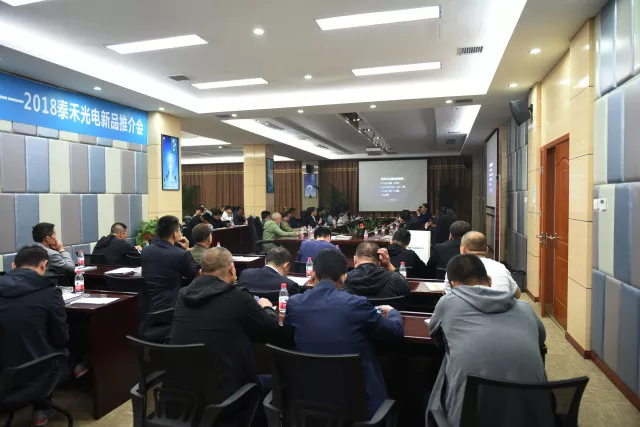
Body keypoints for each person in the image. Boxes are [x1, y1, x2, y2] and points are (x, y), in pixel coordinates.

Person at [427, 254, 547, 426]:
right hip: (533, 417)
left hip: (469, 417)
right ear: (490, 281)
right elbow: (540, 339)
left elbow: (437, 339)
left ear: (453, 285)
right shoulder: (525, 308)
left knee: (447, 362)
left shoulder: (447, 303)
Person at [285, 249, 404, 418]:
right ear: (343, 278)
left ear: (313, 275)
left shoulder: (294, 304)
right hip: (358, 407)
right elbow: (395, 332)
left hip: (307, 404)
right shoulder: (356, 305)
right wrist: (393, 312)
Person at [171, 247, 280, 405]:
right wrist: (267, 308)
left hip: (184, 392)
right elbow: (272, 329)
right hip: (227, 396)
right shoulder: (238, 298)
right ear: (231, 268)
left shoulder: (182, 295)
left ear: (201, 271)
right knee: (278, 380)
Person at [0, 245, 69, 426]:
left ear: (13, 266)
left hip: (3, 374)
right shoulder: (49, 293)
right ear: (44, 265)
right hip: (29, 375)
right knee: (59, 351)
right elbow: (61, 338)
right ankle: (41, 408)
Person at [141, 216, 198, 312]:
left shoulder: (145, 251)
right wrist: (187, 249)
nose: (181, 233)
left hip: (148, 305)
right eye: (180, 231)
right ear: (174, 234)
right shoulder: (180, 254)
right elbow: (193, 273)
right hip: (171, 306)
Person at [443, 231, 521, 298]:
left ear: (463, 249)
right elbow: (517, 295)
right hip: (502, 310)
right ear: (486, 249)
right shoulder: (501, 267)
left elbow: (448, 295)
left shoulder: (455, 268)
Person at [343, 242, 410, 298]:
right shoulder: (394, 279)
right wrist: (388, 265)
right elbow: (406, 289)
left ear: (355, 259)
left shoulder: (342, 281)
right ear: (379, 261)